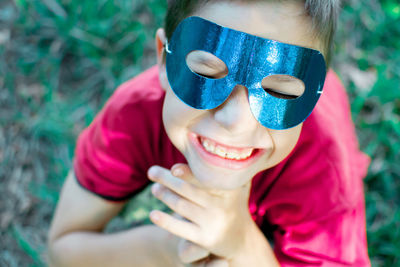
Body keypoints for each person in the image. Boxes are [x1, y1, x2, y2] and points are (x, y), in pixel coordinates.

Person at [47, 0, 371, 266]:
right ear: (163, 59)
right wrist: (166, 249)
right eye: (205, 73)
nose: (235, 121)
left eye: (279, 92)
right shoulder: (134, 113)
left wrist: (241, 244)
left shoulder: (325, 164)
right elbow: (64, 248)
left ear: (314, 94)